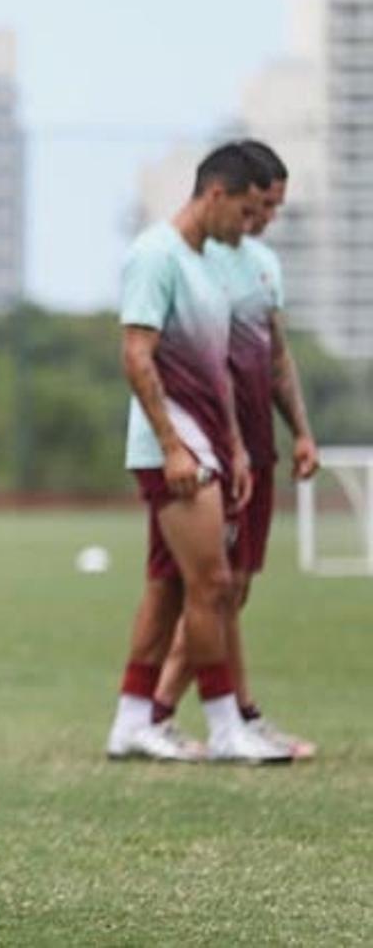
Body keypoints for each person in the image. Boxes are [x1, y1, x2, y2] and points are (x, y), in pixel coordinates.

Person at [104, 142, 292, 765]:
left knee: (167, 588)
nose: (249, 227)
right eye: (244, 212)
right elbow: (136, 355)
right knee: (212, 584)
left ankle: (132, 722)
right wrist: (173, 447)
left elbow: (217, 373)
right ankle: (224, 726)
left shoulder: (204, 262)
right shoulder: (154, 255)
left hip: (210, 447)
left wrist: (235, 447)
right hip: (176, 452)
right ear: (214, 195)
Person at [151, 139, 319, 757]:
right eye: (259, 207)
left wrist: (299, 429)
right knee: (213, 585)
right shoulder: (197, 259)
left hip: (257, 449)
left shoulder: (263, 265)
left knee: (233, 586)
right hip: (210, 448)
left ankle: (182, 715)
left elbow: (275, 358)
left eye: (271, 209)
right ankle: (197, 715)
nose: (263, 221)